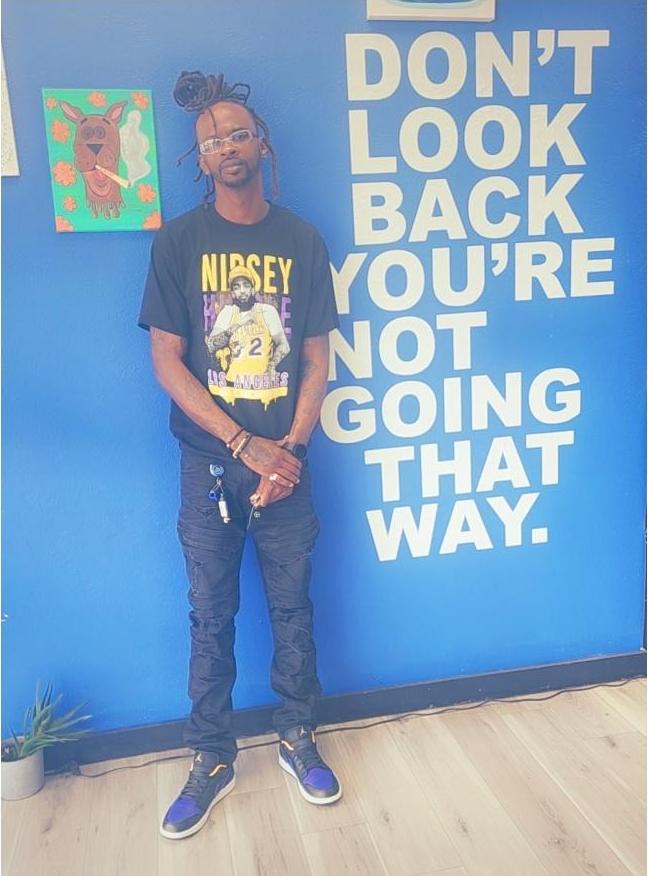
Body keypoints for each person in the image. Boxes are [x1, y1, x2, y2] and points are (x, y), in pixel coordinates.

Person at [138, 70, 341, 841]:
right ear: (200, 160)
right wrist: (241, 443)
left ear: (262, 143)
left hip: (287, 464)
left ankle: (298, 736)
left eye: (237, 134)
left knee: (293, 608)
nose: (226, 147)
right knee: (210, 614)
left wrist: (289, 451)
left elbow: (316, 359)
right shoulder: (178, 242)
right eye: (211, 140)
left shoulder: (302, 241)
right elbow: (166, 361)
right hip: (210, 467)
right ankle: (211, 757)